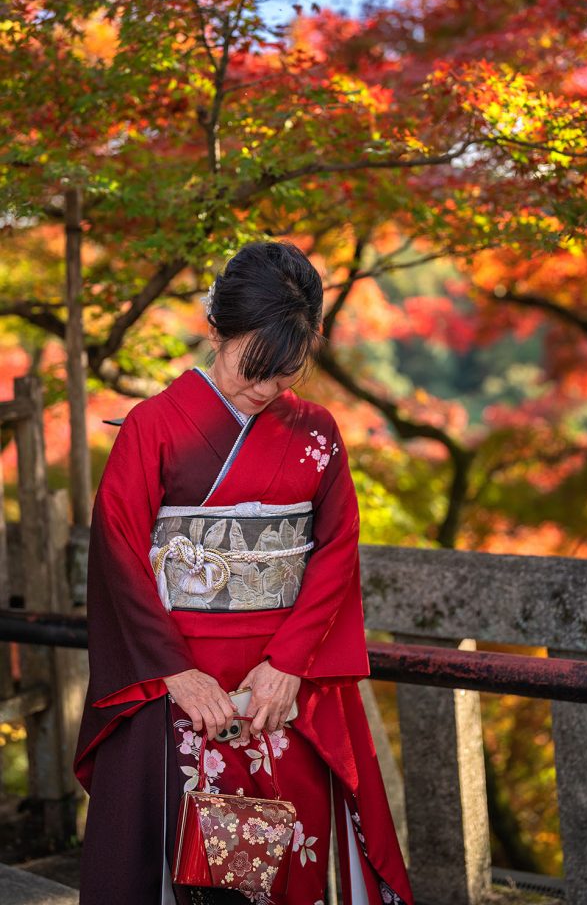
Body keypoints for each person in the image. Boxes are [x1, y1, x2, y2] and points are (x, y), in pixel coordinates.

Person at [73, 240, 413, 905]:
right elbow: (118, 552)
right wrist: (174, 672)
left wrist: (289, 665)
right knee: (174, 862)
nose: (264, 390)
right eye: (252, 368)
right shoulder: (152, 427)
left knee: (289, 861)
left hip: (280, 687)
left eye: (283, 375)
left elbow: (337, 546)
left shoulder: (316, 432)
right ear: (216, 329)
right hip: (176, 679)